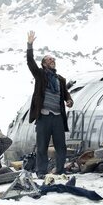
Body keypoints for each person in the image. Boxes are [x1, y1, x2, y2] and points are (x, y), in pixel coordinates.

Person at [26, 31, 73, 178]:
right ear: (44, 64)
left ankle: (60, 170)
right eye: (49, 59)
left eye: (53, 59)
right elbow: (30, 62)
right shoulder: (40, 75)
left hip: (57, 117)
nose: (52, 60)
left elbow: (65, 94)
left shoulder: (60, 79)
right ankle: (41, 172)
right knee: (42, 146)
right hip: (44, 116)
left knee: (61, 146)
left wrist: (69, 100)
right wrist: (29, 45)